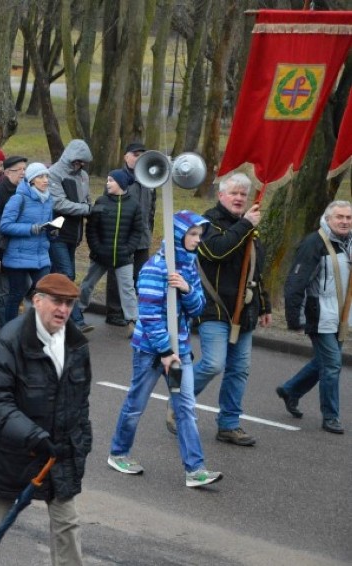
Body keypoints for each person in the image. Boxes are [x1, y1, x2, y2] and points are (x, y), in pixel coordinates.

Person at [0, 273, 91, 566]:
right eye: (57, 302)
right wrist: (34, 437)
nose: (63, 310)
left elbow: (80, 401)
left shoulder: (76, 344)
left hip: (58, 455)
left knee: (67, 526)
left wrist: (80, 443)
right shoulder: (10, 340)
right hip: (10, 454)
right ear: (36, 301)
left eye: (69, 304)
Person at [107, 210, 223, 488]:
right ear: (177, 236)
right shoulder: (154, 268)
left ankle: (195, 470)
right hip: (150, 352)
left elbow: (198, 309)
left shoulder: (189, 267)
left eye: (199, 235)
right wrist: (165, 351)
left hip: (180, 349)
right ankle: (118, 452)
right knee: (136, 405)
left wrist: (186, 290)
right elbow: (148, 315)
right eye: (192, 234)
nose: (197, 240)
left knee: (186, 408)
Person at [173, 173, 270, 445]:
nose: (240, 198)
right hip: (214, 308)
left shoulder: (248, 227)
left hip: (244, 310)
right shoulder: (207, 223)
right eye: (234, 193)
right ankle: (180, 400)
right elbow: (216, 251)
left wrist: (264, 304)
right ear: (221, 196)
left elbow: (255, 269)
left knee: (239, 369)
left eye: (243, 194)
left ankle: (229, 424)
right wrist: (246, 225)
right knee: (214, 363)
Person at [278, 200, 352, 435]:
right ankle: (331, 416)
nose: (344, 221)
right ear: (328, 218)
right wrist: (294, 318)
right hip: (319, 316)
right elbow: (296, 282)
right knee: (332, 364)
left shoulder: (348, 243)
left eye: (349, 218)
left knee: (323, 361)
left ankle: (291, 390)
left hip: (341, 316)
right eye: (339, 217)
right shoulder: (314, 243)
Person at [75, 169, 143, 335]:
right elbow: (91, 229)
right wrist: (96, 248)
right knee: (87, 285)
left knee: (128, 289)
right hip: (100, 255)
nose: (107, 183)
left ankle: (133, 322)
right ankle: (76, 313)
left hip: (123, 257)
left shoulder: (134, 205)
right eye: (108, 180)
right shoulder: (101, 201)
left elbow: (137, 231)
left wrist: (128, 249)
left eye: (111, 180)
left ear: (121, 183)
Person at [0, 162, 55, 324]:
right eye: (40, 177)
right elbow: (5, 226)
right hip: (18, 256)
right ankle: (7, 331)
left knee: (45, 293)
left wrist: (53, 232)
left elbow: (47, 225)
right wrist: (31, 229)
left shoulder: (48, 199)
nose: (45, 180)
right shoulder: (18, 199)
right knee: (16, 295)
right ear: (31, 181)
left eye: (46, 176)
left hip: (41, 256)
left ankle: (39, 330)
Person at [47, 139, 93, 329]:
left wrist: (88, 207)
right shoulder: (54, 174)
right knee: (67, 274)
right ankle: (76, 320)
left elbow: (87, 199)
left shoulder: (83, 176)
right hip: (57, 232)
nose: (81, 164)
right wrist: (87, 209)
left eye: (84, 162)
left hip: (74, 234)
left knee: (58, 276)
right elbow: (58, 203)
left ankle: (52, 315)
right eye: (79, 160)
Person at [106, 142, 152, 327]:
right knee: (117, 275)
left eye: (142, 155)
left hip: (142, 236)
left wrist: (148, 227)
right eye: (135, 154)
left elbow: (151, 207)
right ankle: (114, 312)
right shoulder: (117, 177)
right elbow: (107, 204)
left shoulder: (149, 178)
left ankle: (131, 312)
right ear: (126, 156)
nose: (138, 158)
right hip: (121, 235)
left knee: (140, 275)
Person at [0, 155, 27, 329]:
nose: (24, 174)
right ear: (8, 172)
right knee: (3, 291)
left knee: (19, 289)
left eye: (25, 169)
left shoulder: (24, 191)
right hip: (0, 250)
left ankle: (1, 315)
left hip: (17, 250)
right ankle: (4, 331)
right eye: (20, 170)